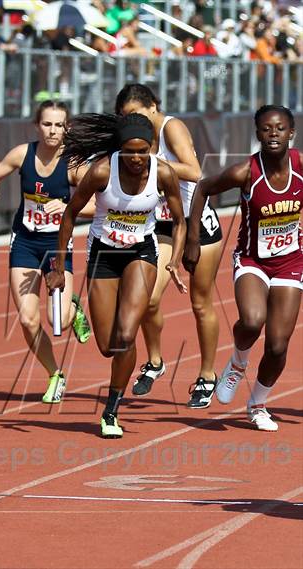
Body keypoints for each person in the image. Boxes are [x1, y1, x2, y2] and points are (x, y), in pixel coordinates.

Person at [46, 112, 187, 438]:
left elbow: (179, 221)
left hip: (141, 253)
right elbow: (69, 216)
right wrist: (59, 269)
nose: (136, 158)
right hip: (104, 254)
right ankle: (101, 328)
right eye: (129, 151)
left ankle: (111, 408)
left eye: (143, 151)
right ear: (119, 148)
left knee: (126, 335)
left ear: (152, 148)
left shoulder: (163, 174)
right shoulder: (101, 171)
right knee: (107, 346)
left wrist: (174, 261)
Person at [183, 105, 302, 432]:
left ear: (291, 133)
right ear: (257, 134)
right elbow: (204, 187)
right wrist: (192, 238)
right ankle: (237, 362)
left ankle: (258, 403)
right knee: (252, 320)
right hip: (252, 260)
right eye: (266, 129)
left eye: (280, 129)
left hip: (291, 261)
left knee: (278, 345)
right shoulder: (246, 172)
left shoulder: (300, 166)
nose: (273, 134)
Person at [115, 84, 223, 408]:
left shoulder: (170, 128)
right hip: (162, 224)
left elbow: (195, 172)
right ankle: (156, 361)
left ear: (153, 107)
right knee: (147, 298)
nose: (132, 122)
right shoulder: (133, 138)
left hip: (196, 224)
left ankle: (206, 376)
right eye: (125, 117)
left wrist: (147, 160)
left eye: (136, 114)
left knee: (200, 303)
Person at [0, 100, 92, 404]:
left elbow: (99, 205)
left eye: (58, 125)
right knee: (28, 320)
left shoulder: (74, 164)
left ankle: (74, 309)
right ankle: (55, 374)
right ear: (37, 125)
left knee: (60, 321)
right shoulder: (22, 154)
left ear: (66, 128)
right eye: (47, 124)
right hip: (26, 243)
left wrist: (70, 207)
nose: (52, 131)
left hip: (57, 245)